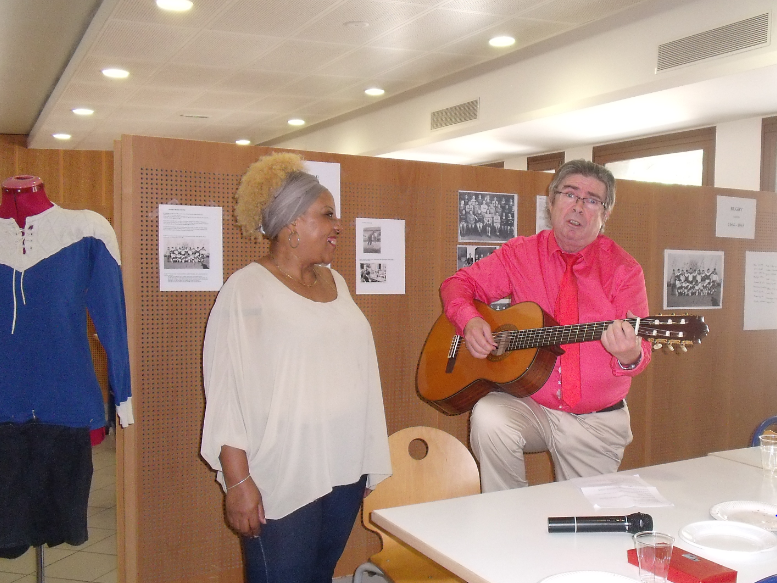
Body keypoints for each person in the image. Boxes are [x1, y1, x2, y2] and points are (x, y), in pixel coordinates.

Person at [200, 153, 392, 583]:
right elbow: (225, 393)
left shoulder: (337, 282)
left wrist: (365, 456)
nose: (338, 226)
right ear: (291, 227)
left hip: (343, 469)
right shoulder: (246, 290)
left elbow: (360, 375)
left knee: (321, 575)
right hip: (282, 473)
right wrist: (238, 482)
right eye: (326, 215)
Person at [440, 160, 651, 492]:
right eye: (570, 194)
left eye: (592, 199)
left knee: (584, 524)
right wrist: (470, 321)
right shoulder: (521, 254)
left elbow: (641, 356)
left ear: (604, 214)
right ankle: (507, 512)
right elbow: (457, 285)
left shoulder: (624, 271)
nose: (579, 206)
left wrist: (629, 355)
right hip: (533, 405)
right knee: (489, 415)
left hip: (595, 422)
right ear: (551, 202)